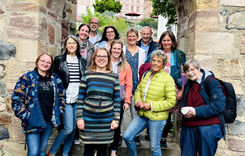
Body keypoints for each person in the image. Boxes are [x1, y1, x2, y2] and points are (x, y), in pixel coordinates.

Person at [123, 50, 176, 156]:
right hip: (143, 114)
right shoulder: (146, 74)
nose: (155, 63)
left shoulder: (168, 79)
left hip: (157, 117)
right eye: (153, 60)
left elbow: (171, 102)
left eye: (159, 61)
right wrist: (138, 100)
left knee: (154, 146)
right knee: (127, 137)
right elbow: (138, 90)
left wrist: (151, 105)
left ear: (164, 64)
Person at [11, 53, 66, 156]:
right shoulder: (27, 78)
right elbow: (16, 100)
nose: (45, 64)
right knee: (33, 151)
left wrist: (59, 111)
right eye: (42, 61)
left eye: (48, 62)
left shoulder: (55, 78)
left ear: (51, 65)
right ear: (37, 62)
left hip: (49, 121)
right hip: (32, 121)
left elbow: (62, 96)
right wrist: (27, 117)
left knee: (41, 150)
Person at [77, 48, 121, 156]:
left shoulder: (113, 76)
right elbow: (80, 98)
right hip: (88, 121)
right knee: (88, 151)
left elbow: (116, 100)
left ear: (108, 59)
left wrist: (116, 119)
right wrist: (80, 118)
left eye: (104, 56)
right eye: (99, 56)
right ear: (94, 58)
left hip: (106, 121)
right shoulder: (87, 75)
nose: (101, 59)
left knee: (102, 151)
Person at [147, 30, 186, 149]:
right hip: (157, 88)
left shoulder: (179, 54)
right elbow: (148, 69)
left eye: (168, 40)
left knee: (167, 114)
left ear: (172, 41)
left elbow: (184, 74)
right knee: (154, 112)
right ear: (161, 41)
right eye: (164, 40)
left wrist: (182, 90)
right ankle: (154, 138)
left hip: (172, 89)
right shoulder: (155, 53)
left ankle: (163, 139)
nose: (166, 42)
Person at [48, 35, 86, 156]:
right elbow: (53, 78)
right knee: (68, 128)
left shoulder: (82, 60)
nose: (71, 45)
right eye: (69, 43)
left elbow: (84, 79)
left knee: (74, 129)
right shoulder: (59, 60)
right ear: (65, 45)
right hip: (65, 99)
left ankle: (65, 153)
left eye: (74, 43)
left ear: (77, 45)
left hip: (78, 98)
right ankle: (52, 151)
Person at [180, 58, 225, 156]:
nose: (190, 73)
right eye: (187, 71)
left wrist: (196, 111)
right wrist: (182, 111)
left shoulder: (212, 82)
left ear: (199, 68)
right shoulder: (189, 84)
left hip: (208, 127)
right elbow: (183, 102)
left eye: (192, 70)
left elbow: (219, 106)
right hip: (188, 126)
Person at [110, 40, 133, 156]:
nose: (116, 51)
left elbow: (129, 84)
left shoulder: (125, 65)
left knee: (116, 124)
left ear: (121, 51)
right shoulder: (105, 61)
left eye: (118, 49)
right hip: (106, 98)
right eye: (114, 48)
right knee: (104, 123)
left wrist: (127, 101)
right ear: (111, 49)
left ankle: (113, 150)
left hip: (119, 99)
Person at [123, 28, 146, 147]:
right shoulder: (122, 50)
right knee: (123, 111)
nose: (131, 38)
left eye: (134, 36)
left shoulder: (142, 52)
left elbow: (143, 70)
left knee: (135, 112)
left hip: (137, 84)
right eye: (129, 36)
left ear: (137, 38)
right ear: (127, 38)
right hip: (124, 84)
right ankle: (121, 134)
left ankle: (136, 136)